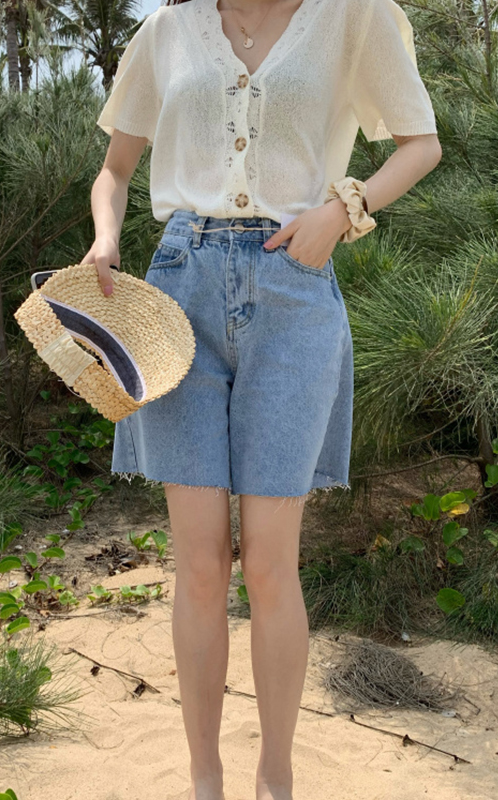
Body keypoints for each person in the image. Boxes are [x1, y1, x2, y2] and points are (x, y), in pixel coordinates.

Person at [84, 0, 442, 796]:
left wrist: (342, 212)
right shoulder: (167, 32)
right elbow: (115, 170)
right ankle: (205, 779)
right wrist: (106, 237)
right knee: (199, 564)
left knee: (273, 566)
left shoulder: (352, 17)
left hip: (294, 287)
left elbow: (421, 143)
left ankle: (275, 778)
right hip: (178, 291)